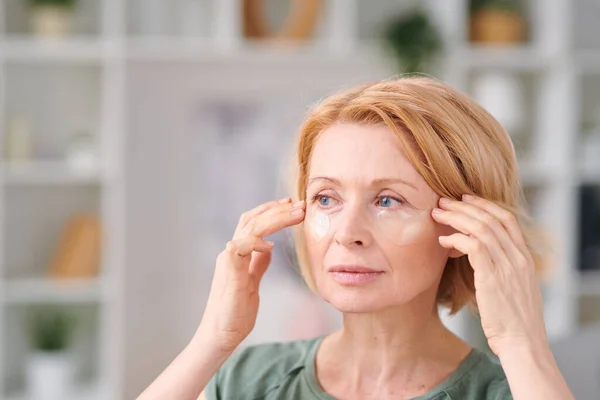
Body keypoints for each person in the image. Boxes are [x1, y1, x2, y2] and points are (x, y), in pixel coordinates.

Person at [138, 77, 574, 400]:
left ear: (466, 227)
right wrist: (213, 339)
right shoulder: (250, 380)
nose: (347, 234)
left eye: (388, 201)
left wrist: (523, 345)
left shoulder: (509, 389)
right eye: (326, 198)